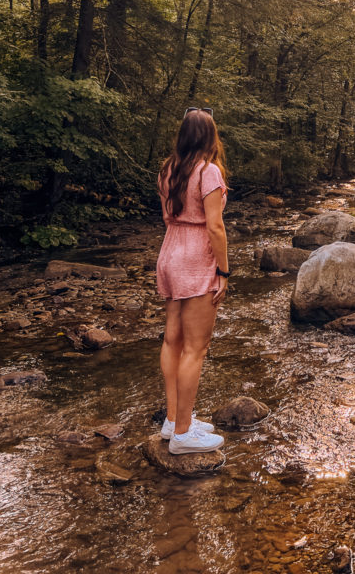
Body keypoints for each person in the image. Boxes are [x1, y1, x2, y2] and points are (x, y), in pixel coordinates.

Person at [156, 107, 230, 454]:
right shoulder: (209, 171)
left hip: (170, 253)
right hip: (196, 258)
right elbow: (215, 226)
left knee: (172, 340)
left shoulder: (168, 170)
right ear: (209, 136)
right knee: (195, 348)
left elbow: (169, 216)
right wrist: (224, 271)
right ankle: (184, 434)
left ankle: (173, 421)